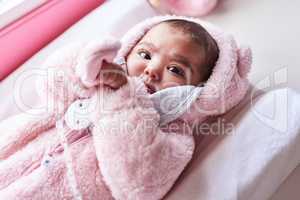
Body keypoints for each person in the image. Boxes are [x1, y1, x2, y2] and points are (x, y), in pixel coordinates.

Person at [0, 16, 251, 199]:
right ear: (128, 50)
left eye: (175, 69)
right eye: (145, 54)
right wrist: (84, 64)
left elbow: (140, 182)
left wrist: (123, 95)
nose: (152, 70)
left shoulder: (173, 135)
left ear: (200, 89)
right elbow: (53, 88)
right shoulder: (97, 84)